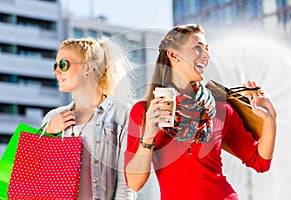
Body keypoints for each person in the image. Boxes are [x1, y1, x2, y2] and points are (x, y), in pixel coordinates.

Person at [124, 24, 277, 199]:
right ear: (173, 55)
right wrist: (149, 135)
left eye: (207, 49)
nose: (207, 55)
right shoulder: (144, 112)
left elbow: (259, 162)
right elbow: (134, 183)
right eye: (197, 48)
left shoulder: (220, 108)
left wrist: (271, 121)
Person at [42, 37, 136, 199]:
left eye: (63, 65)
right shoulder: (53, 117)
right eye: (55, 66)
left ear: (88, 68)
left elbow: (126, 184)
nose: (56, 72)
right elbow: (39, 177)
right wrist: (49, 132)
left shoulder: (121, 114)